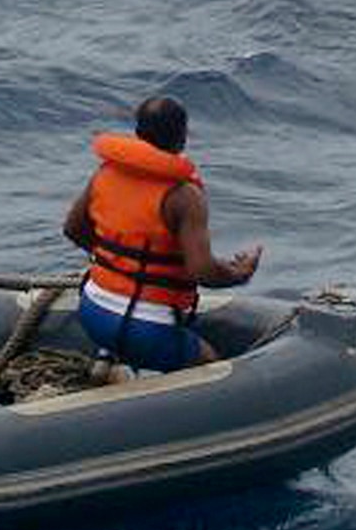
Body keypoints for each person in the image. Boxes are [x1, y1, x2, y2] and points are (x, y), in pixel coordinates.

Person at [62, 96, 261, 372]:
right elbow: (202, 271)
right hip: (145, 328)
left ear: (138, 132)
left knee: (137, 335)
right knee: (209, 366)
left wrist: (119, 264)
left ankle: (110, 360)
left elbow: (72, 229)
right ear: (182, 138)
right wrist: (239, 273)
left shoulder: (106, 172)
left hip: (92, 311)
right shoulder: (184, 195)